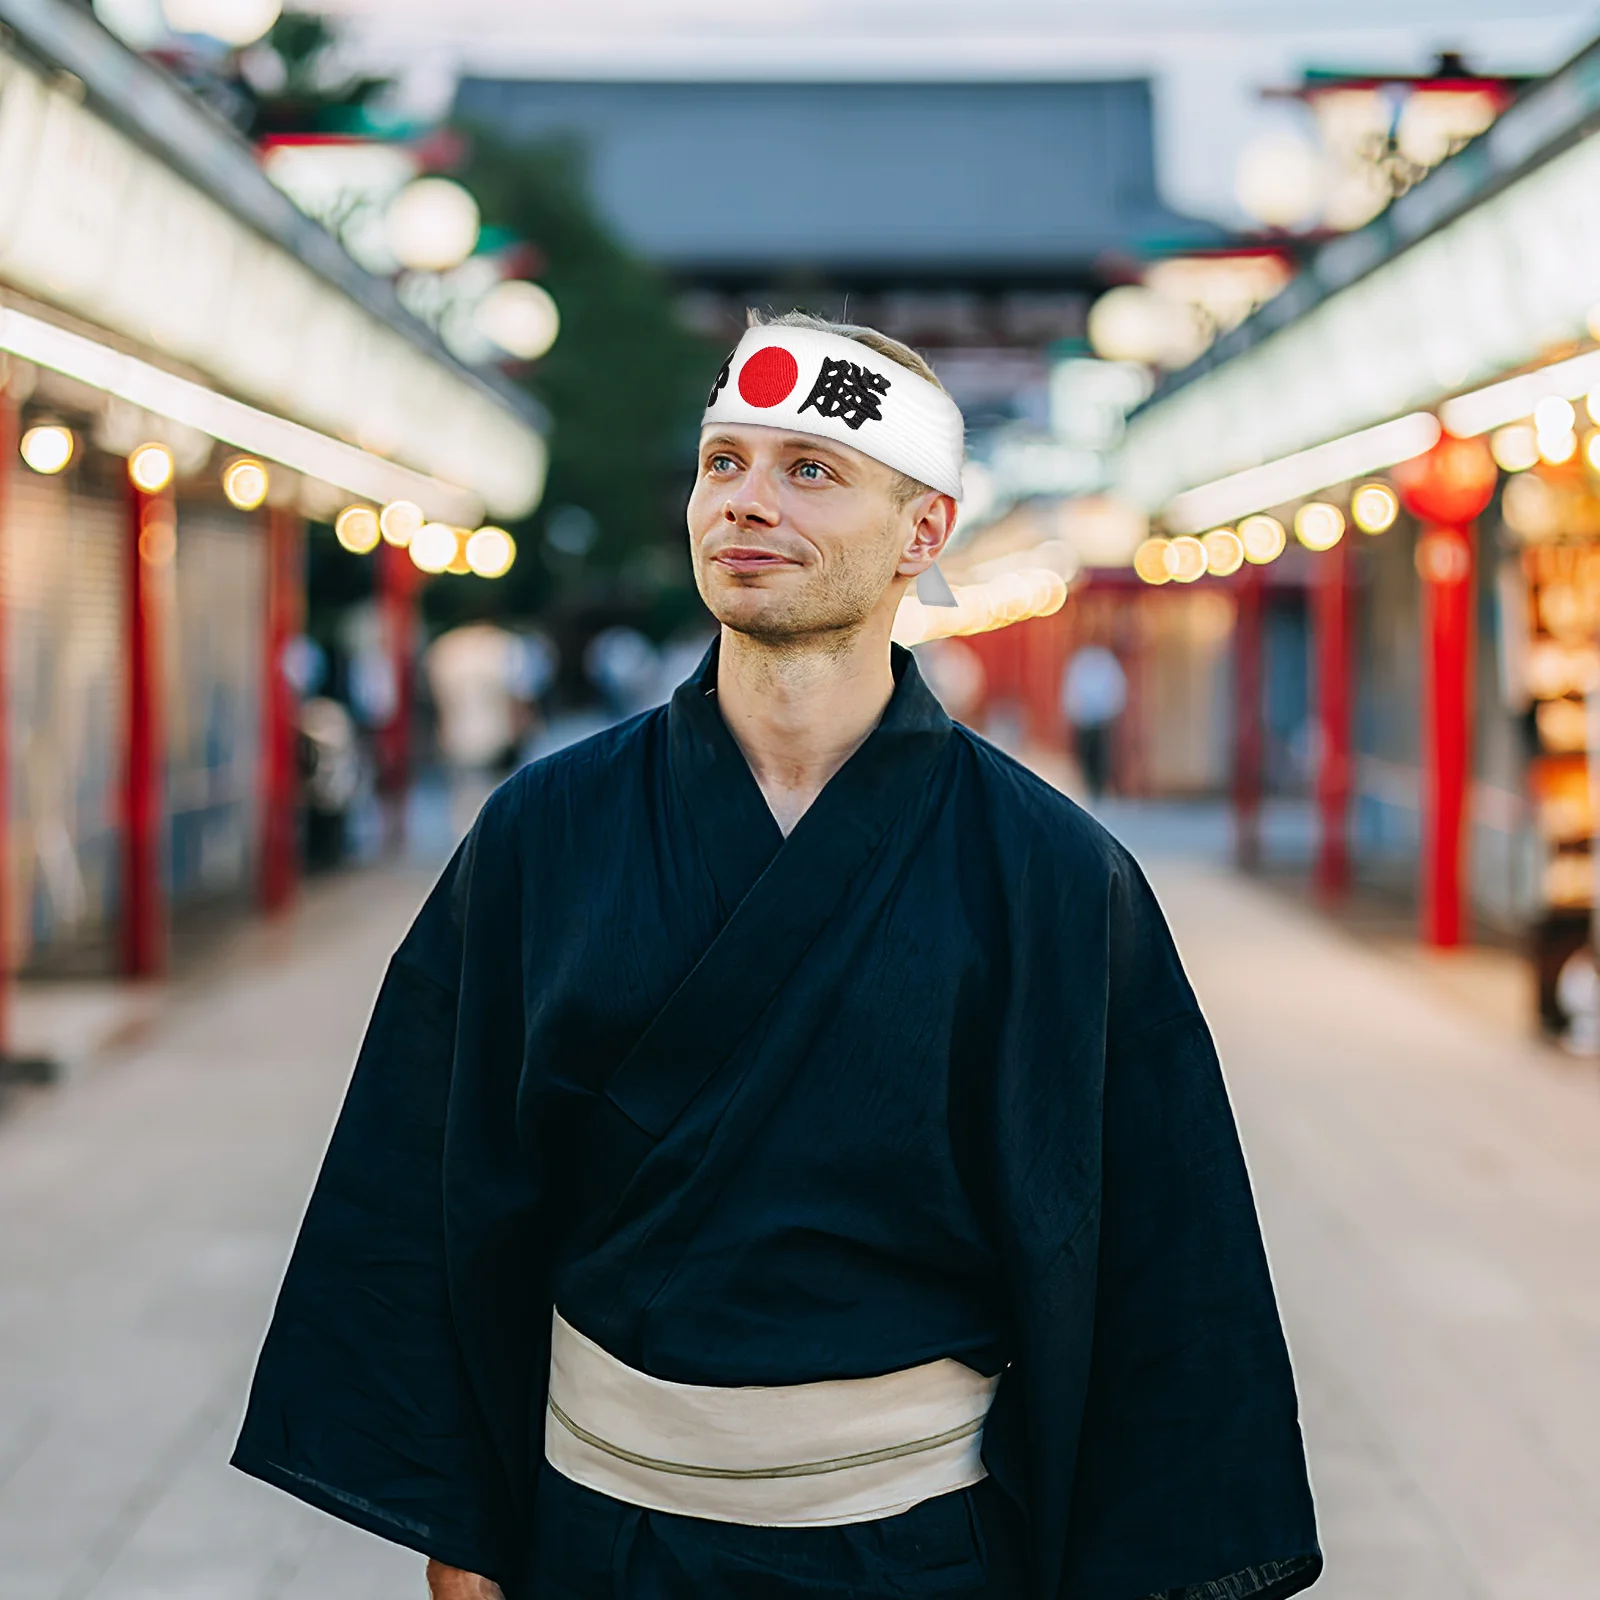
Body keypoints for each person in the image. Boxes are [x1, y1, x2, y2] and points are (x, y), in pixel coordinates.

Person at [233, 311, 1320, 1600]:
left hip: (920, 1545)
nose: (746, 502)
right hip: (598, 1530)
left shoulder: (1050, 873)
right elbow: (427, 1178)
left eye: (810, 469)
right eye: (724, 463)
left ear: (924, 530)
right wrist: (461, 1532)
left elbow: (1160, 1252)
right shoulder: (548, 828)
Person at [1061, 644, 1128, 801]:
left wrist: (1112, 711)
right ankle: (1089, 785)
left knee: (1100, 755)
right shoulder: (1080, 661)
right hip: (1084, 718)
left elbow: (1116, 688)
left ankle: (1099, 787)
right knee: (1085, 754)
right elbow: (1071, 689)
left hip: (1101, 719)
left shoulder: (1107, 661)